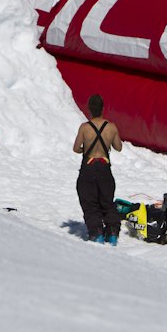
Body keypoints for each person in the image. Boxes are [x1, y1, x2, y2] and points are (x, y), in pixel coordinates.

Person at [72, 94, 123, 244]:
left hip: (88, 167)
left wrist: (85, 150)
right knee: (107, 201)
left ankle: (97, 233)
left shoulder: (84, 127)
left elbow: (76, 148)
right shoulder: (111, 127)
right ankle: (112, 233)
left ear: (89, 109)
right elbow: (118, 147)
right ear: (102, 108)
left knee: (89, 201)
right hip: (104, 167)